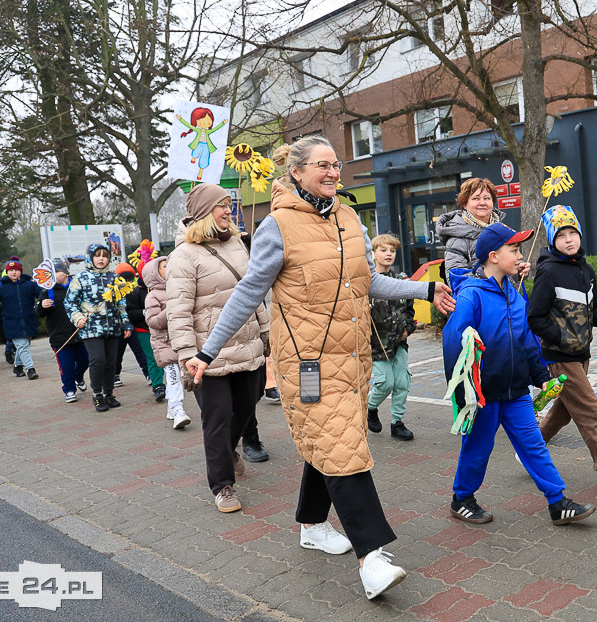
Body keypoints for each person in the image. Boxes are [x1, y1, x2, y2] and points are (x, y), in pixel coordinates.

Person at [184, 136, 456, 601]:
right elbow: (248, 292)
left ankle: (311, 525)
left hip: (354, 360)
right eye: (323, 166)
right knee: (344, 447)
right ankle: (371, 557)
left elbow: (369, 281)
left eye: (337, 165)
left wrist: (425, 291)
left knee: (329, 442)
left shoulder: (349, 217)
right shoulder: (277, 226)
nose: (333, 173)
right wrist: (206, 352)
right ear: (297, 172)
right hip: (307, 365)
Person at [443, 222, 596, 528]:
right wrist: (466, 390)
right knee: (478, 449)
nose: (519, 255)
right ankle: (462, 498)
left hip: (517, 392)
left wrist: (541, 376)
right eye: (513, 249)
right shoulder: (472, 295)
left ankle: (557, 502)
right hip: (484, 394)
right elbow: (453, 340)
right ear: (493, 256)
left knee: (534, 446)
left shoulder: (514, 294)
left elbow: (527, 339)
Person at [166, 183, 272, 512]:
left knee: (247, 406)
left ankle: (228, 453)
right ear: (201, 213)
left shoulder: (238, 244)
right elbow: (178, 312)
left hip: (247, 345)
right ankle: (223, 485)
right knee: (218, 417)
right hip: (206, 356)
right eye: (221, 206)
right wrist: (186, 355)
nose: (229, 211)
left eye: (229, 205)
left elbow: (252, 292)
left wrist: (266, 330)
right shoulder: (182, 256)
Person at [527, 205, 597, 500]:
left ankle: (529, 452)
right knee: (590, 412)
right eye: (561, 234)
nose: (568, 240)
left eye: (573, 233)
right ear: (552, 239)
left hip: (582, 355)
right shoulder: (548, 271)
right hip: (560, 357)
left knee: (563, 412)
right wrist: (561, 338)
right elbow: (535, 317)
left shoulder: (585, 270)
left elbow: (593, 314)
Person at [65, 244, 132, 412]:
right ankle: (97, 394)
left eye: (105, 256)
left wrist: (125, 322)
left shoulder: (114, 278)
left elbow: (121, 303)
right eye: (97, 255)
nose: (101, 259)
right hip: (91, 327)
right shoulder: (81, 278)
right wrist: (78, 318)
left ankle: (108, 393)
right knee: (98, 359)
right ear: (90, 258)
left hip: (113, 327)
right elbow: (70, 303)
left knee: (111, 361)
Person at [367, 233, 417, 441]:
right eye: (383, 250)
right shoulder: (367, 282)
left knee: (402, 383)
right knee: (385, 383)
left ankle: (397, 422)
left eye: (392, 250)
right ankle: (370, 408)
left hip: (399, 344)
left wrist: (408, 328)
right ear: (373, 253)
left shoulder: (401, 280)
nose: (388, 254)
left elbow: (409, 310)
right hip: (377, 345)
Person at [141, 256, 191, 429]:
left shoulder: (178, 288)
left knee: (181, 377)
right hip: (165, 344)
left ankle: (172, 407)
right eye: (164, 266)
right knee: (173, 376)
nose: (169, 267)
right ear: (154, 273)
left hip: (183, 340)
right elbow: (153, 321)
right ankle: (178, 410)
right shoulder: (152, 296)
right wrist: (171, 308)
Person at [36, 261, 88, 403]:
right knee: (66, 366)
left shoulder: (78, 286)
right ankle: (69, 389)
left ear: (66, 272)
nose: (53, 275)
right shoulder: (46, 291)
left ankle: (78, 377)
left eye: (56, 271)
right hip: (59, 336)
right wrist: (42, 305)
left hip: (81, 333)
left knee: (85, 360)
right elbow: (38, 313)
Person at [0, 257, 39, 380]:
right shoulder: (2, 288)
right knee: (22, 346)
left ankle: (17, 367)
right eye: (10, 270)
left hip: (29, 320)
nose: (13, 272)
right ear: (7, 272)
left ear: (20, 271)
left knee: (23, 346)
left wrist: (47, 292)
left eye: (16, 270)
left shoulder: (30, 285)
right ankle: (30, 369)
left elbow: (41, 295)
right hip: (11, 322)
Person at [125, 261, 165, 400]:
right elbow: (130, 313)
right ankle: (158, 385)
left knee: (168, 357)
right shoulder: (134, 292)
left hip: (164, 329)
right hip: (144, 330)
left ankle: (173, 383)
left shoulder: (164, 288)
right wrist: (145, 312)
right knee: (153, 358)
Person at [113, 262, 151, 388]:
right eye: (124, 279)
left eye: (130, 278)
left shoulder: (137, 290)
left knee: (140, 351)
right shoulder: (114, 291)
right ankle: (115, 374)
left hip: (134, 326)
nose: (128, 282)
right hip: (119, 327)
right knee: (117, 353)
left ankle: (148, 373)